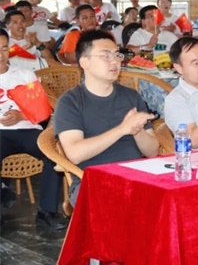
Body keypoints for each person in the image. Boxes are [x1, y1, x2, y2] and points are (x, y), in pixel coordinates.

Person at [54, 30, 159, 207]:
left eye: (117, 55)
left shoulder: (131, 96)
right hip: (92, 180)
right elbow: (75, 154)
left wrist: (137, 130)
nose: (114, 61)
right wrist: (122, 129)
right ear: (84, 62)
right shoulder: (70, 102)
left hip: (135, 176)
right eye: (105, 56)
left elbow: (152, 152)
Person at [0, 29, 66, 229]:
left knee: (52, 153)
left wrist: (21, 115)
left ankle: (47, 212)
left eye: (4, 48)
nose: (1, 54)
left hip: (27, 130)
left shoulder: (24, 75)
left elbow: (42, 112)